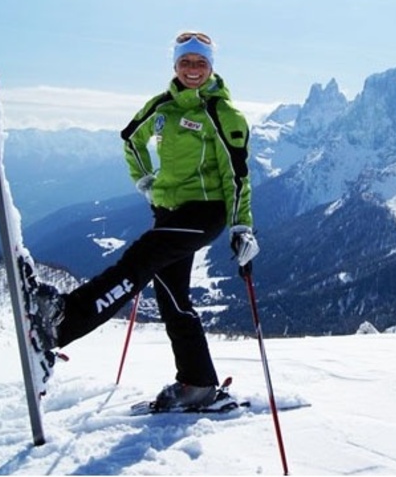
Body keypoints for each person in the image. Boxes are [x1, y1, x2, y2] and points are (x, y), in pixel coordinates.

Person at [31, 31, 259, 410]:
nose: (193, 69)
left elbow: (237, 177)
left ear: (211, 68)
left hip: (206, 211)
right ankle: (198, 383)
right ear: (175, 65)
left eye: (200, 63)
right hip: (170, 211)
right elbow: (130, 139)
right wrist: (145, 179)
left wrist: (241, 227)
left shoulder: (223, 114)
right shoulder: (162, 107)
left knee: (140, 259)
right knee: (173, 299)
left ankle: (63, 321)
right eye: (186, 62)